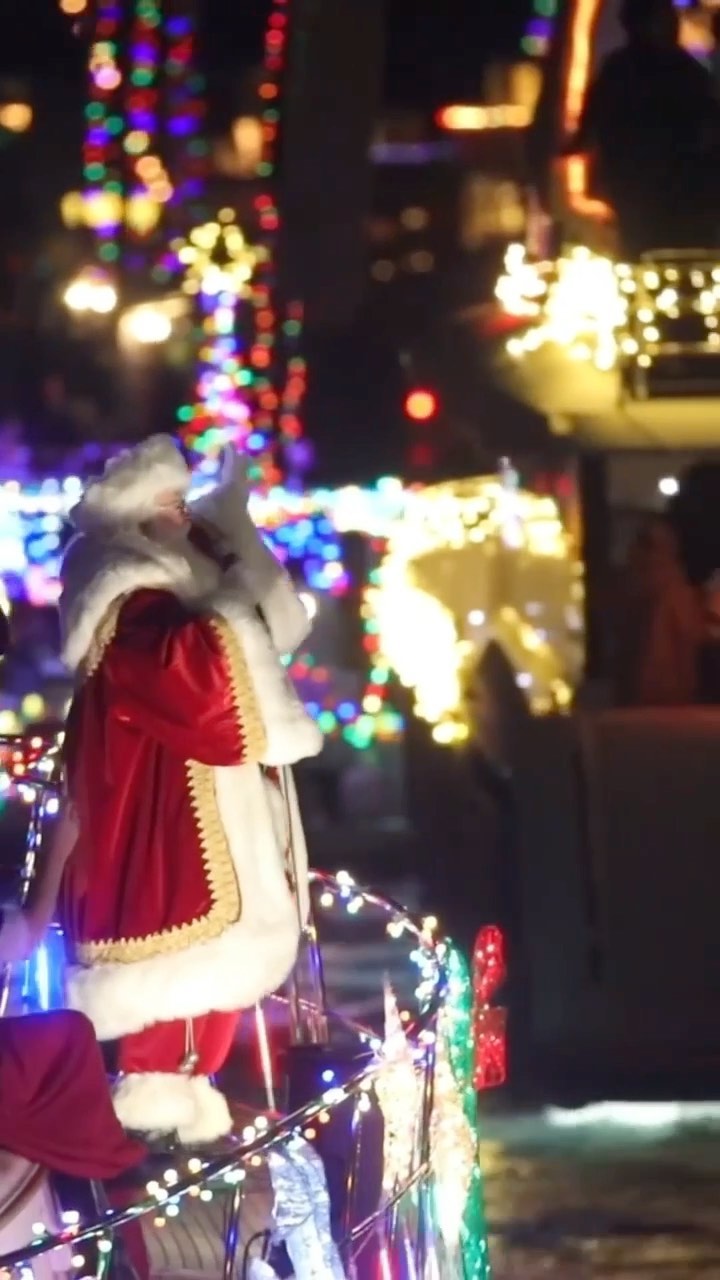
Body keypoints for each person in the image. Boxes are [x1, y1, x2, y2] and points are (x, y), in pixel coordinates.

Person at [57, 435, 323, 1144]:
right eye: (171, 501)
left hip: (207, 797)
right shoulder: (127, 594)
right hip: (164, 809)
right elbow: (194, 677)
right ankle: (150, 1105)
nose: (184, 511)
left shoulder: (177, 576)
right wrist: (229, 596)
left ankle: (193, 1090)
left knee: (219, 967)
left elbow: (276, 626)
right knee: (177, 958)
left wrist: (236, 534)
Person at [567, 0, 720, 253]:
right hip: (658, 188)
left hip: (665, 188)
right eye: (664, 19)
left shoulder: (678, 70)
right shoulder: (679, 70)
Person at [612, 516, 702, 706]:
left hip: (668, 695)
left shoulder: (677, 593)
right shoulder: (634, 592)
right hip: (642, 694)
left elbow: (688, 636)